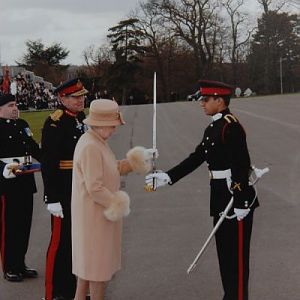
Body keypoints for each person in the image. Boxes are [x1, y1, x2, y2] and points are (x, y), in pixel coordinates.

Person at [145, 80, 259, 300]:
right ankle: (230, 295)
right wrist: (169, 176)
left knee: (236, 258)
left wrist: (242, 200)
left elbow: (241, 164)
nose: (202, 104)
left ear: (220, 100)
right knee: (225, 254)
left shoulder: (230, 126)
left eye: (206, 100)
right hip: (220, 198)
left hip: (234, 200)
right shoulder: (213, 127)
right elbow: (197, 157)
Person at [71, 99, 156, 300]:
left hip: (93, 216)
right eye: (112, 126)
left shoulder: (95, 141)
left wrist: (141, 158)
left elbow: (113, 167)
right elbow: (95, 187)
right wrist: (116, 203)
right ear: (100, 124)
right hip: (95, 217)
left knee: (87, 271)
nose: (115, 130)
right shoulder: (92, 146)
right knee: (97, 272)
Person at [41, 78, 88, 300]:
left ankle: (74, 291)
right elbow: (49, 163)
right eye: (75, 97)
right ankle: (55, 292)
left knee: (78, 241)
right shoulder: (54, 123)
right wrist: (51, 197)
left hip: (82, 188)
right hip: (63, 190)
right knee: (60, 243)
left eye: (82, 96)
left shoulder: (82, 119)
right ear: (62, 98)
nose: (81, 100)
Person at [0, 93, 41, 282]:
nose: (15, 108)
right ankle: (9, 266)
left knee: (24, 225)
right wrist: (5, 168)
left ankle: (20, 263)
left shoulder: (22, 124)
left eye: (16, 104)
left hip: (25, 181)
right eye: (10, 105)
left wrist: (50, 160)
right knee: (9, 227)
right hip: (7, 185)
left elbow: (32, 148)